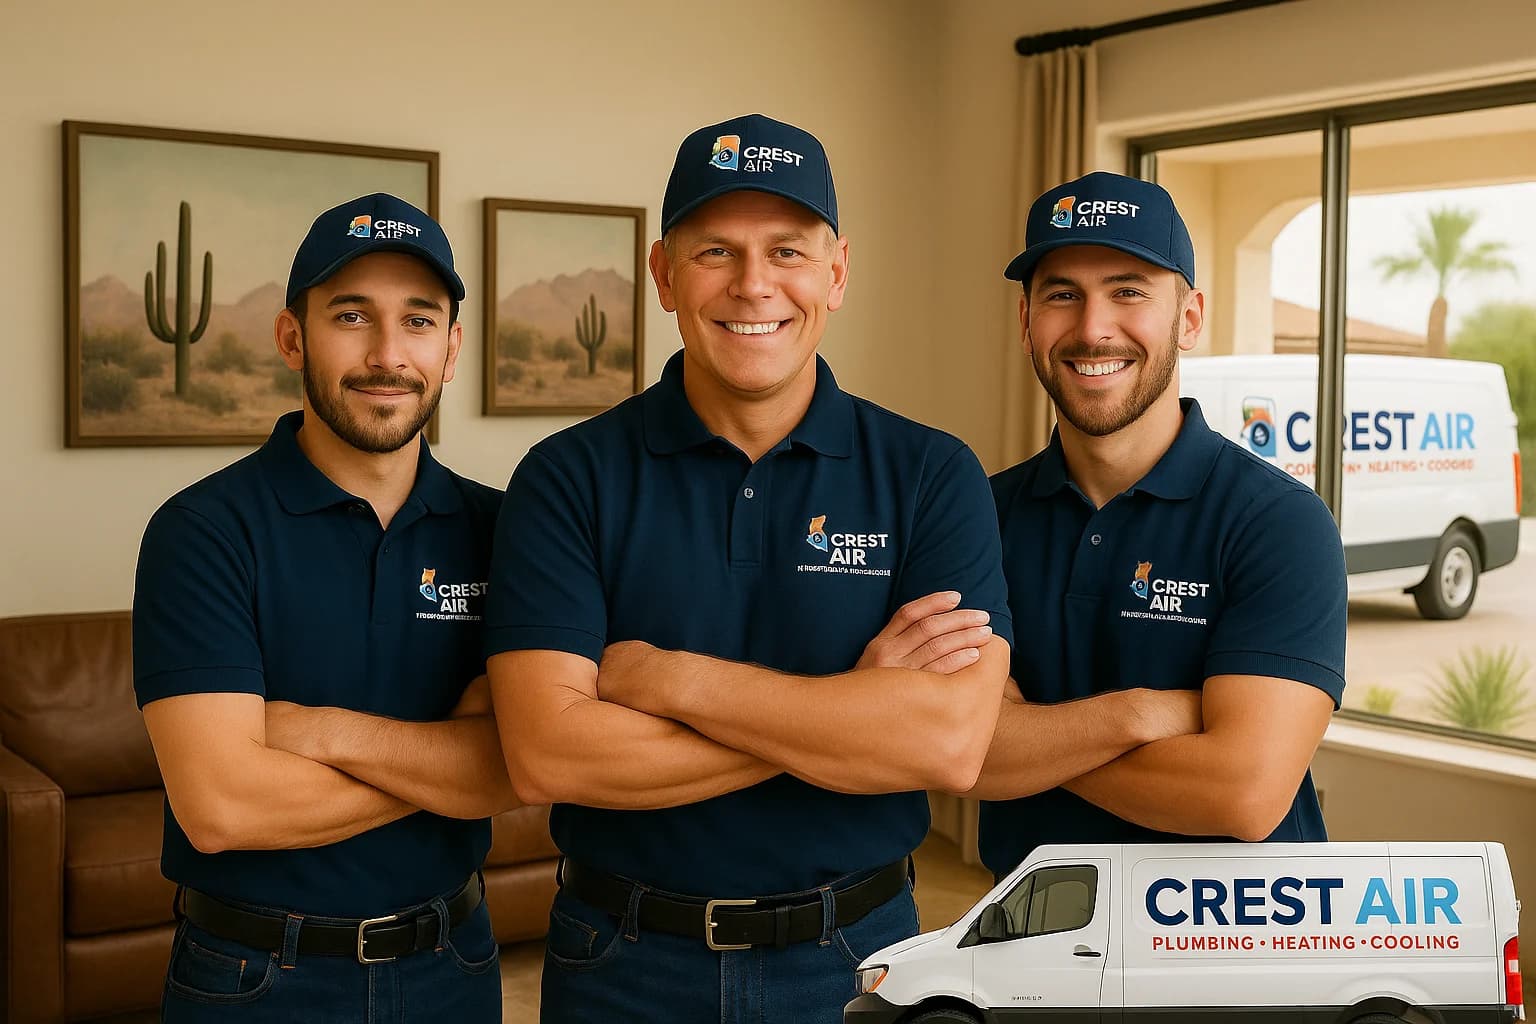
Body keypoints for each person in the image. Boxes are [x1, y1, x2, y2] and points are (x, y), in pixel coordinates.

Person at [484, 113, 1013, 1024]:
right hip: (621, 962)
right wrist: (847, 712)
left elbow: (947, 745)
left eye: (788, 252)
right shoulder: (567, 477)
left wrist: (666, 678)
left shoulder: (931, 473)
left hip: (860, 955)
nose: (753, 285)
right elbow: (545, 754)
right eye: (716, 252)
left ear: (837, 271)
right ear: (663, 275)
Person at [133, 193, 514, 1022]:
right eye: (351, 315)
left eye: (418, 321)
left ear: (451, 350)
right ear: (291, 337)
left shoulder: (503, 530)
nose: (387, 354)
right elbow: (223, 806)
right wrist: (454, 764)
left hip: (454, 964)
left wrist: (319, 732)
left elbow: (521, 760)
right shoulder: (201, 532)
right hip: (255, 978)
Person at [974, 171, 1347, 879]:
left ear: (1190, 318)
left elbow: (1243, 793)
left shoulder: (1278, 523)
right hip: (1029, 948)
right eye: (1062, 294)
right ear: (1026, 322)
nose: (1092, 328)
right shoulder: (977, 516)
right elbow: (949, 748)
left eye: (1128, 291)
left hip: (1233, 953)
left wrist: (1022, 745)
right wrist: (1138, 716)